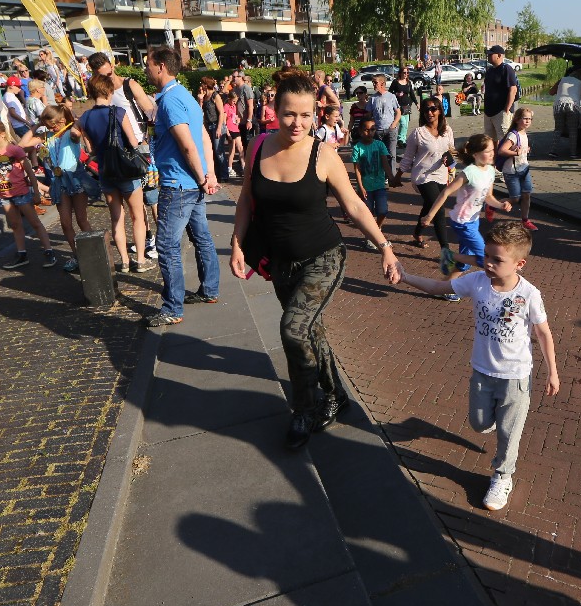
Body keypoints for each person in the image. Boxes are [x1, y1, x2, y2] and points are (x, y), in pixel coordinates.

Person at [229, 69, 400, 449]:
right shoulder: (258, 147)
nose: (297, 122)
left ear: (316, 113)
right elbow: (245, 201)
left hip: (323, 258)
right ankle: (338, 394)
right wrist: (237, 243)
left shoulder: (324, 154)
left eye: (306, 115)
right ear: (275, 110)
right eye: (289, 114)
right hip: (280, 262)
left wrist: (385, 247)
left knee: (293, 329)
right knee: (310, 331)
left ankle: (304, 410)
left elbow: (354, 205)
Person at [397, 221, 559, 511]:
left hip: (515, 377)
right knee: (479, 423)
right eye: (486, 256)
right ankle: (495, 421)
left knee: (509, 434)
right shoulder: (476, 281)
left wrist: (552, 372)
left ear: (519, 264)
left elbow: (543, 333)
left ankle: (502, 475)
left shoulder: (529, 294)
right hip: (483, 371)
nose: (488, 264)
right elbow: (438, 286)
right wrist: (405, 277)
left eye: (497, 260)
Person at [145, 46, 220, 326]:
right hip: (192, 183)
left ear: (161, 66)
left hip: (178, 184)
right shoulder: (185, 95)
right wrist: (208, 175)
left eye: (148, 64)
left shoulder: (170, 101)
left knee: (167, 245)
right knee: (202, 237)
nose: (146, 70)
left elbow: (188, 145)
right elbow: (203, 138)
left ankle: (172, 308)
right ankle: (209, 290)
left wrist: (203, 177)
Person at [79, 75, 152, 274]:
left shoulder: (84, 118)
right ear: (109, 91)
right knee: (137, 216)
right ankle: (140, 260)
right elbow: (133, 142)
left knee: (116, 218)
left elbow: (90, 149)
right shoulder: (119, 112)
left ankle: (125, 261)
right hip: (126, 171)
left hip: (105, 172)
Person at [422, 134, 512, 279]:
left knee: (465, 263)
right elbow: (445, 192)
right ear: (475, 154)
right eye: (487, 151)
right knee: (485, 258)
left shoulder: (490, 171)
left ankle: (444, 287)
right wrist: (429, 216)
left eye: (492, 150)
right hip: (462, 222)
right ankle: (449, 255)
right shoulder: (469, 173)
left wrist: (501, 205)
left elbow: (488, 197)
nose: (492, 154)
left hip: (474, 220)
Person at [0, 120, 56, 270]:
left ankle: (49, 251)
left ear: (2, 134)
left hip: (21, 193)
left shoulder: (14, 150)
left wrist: (36, 192)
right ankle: (22, 254)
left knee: (34, 222)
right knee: (15, 225)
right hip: (4, 195)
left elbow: (29, 171)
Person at [393, 95, 456, 259]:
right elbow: (408, 157)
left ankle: (417, 232)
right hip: (422, 176)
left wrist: (449, 159)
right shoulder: (418, 133)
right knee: (438, 209)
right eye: (426, 110)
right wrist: (398, 176)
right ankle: (446, 251)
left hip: (441, 175)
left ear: (440, 111)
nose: (430, 113)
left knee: (429, 206)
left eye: (433, 109)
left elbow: (452, 151)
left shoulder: (447, 131)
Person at [41, 103, 94, 273]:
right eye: (47, 126)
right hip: (59, 181)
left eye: (53, 125)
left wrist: (73, 122)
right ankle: (78, 256)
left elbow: (78, 132)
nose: (51, 128)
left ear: (62, 121)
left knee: (81, 219)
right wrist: (37, 125)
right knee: (65, 222)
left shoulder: (71, 132)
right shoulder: (48, 136)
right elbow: (24, 143)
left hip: (74, 177)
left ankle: (94, 254)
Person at [350, 118, 392, 246]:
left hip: (379, 185)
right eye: (366, 130)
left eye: (372, 129)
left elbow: (385, 163)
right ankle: (369, 236)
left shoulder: (380, 145)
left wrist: (392, 178)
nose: (370, 133)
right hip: (365, 187)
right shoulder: (357, 147)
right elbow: (357, 169)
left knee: (383, 210)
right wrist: (360, 186)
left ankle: (377, 229)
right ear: (360, 131)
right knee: (368, 214)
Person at [498, 107, 538, 231]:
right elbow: (501, 151)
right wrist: (516, 153)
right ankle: (492, 205)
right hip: (512, 172)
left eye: (530, 119)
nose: (528, 121)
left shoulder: (524, 133)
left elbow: (521, 150)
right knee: (515, 198)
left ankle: (525, 220)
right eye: (525, 118)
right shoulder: (513, 135)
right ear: (516, 119)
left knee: (526, 195)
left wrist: (525, 150)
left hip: (524, 169)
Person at [482, 45, 519, 145]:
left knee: (504, 138)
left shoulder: (506, 69)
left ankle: (504, 155)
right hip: (488, 111)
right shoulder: (490, 70)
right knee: (489, 140)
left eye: (491, 54)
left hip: (501, 111)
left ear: (499, 55)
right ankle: (494, 155)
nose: (488, 56)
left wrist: (507, 109)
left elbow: (513, 89)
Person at [548, 71, 581, 160]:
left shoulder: (562, 80)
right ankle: (573, 154)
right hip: (573, 106)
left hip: (559, 105)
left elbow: (551, 92)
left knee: (558, 129)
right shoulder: (579, 82)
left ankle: (553, 151)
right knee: (573, 130)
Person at [369, 73, 401, 161]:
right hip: (378, 131)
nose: (374, 85)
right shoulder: (372, 98)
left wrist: (394, 124)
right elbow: (368, 115)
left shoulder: (391, 96)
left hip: (390, 130)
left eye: (375, 82)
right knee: (379, 156)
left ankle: (392, 170)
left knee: (391, 155)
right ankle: (381, 170)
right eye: (373, 83)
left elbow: (398, 112)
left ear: (382, 83)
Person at [390, 67, 416, 144]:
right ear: (400, 73)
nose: (406, 74)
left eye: (407, 73)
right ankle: (400, 139)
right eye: (404, 72)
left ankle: (403, 140)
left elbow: (412, 94)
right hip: (398, 106)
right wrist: (396, 94)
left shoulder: (408, 82)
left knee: (406, 124)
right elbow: (390, 92)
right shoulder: (395, 82)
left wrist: (417, 103)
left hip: (406, 106)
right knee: (403, 123)